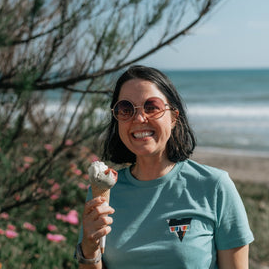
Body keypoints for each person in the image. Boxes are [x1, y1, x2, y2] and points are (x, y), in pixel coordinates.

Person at [75, 65, 254, 268]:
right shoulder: (103, 194)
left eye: (152, 107)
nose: (139, 118)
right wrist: (89, 250)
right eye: (126, 109)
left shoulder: (214, 186)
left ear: (174, 117)